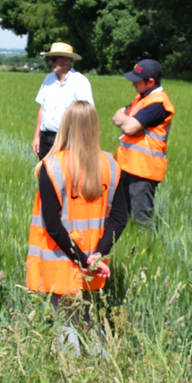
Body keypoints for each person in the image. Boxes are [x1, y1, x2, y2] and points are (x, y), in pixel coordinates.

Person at [28, 101, 130, 354]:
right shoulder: (112, 164)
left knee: (64, 323)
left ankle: (70, 379)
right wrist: (96, 255)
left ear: (65, 127)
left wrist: (81, 259)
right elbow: (119, 218)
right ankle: (102, 369)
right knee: (87, 319)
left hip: (60, 259)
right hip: (93, 260)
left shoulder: (51, 165)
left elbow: (52, 225)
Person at [112, 59, 174, 227]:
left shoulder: (157, 103)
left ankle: (144, 252)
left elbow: (129, 127)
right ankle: (128, 250)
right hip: (129, 166)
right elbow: (116, 116)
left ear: (151, 82)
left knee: (140, 220)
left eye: (137, 81)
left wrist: (129, 123)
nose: (133, 84)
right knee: (123, 216)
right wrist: (129, 122)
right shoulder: (141, 99)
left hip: (143, 170)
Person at [31, 42, 93, 160]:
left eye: (54, 59)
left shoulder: (80, 82)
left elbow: (87, 115)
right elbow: (42, 108)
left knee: (65, 176)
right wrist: (36, 137)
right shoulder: (48, 79)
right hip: (46, 139)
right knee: (43, 176)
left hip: (68, 140)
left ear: (67, 61)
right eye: (50, 59)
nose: (50, 63)